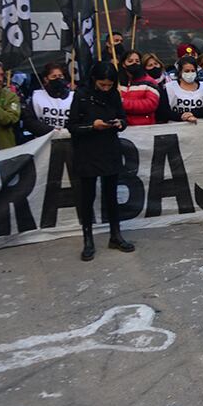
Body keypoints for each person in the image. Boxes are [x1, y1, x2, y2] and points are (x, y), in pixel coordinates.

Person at [67, 61, 134, 260]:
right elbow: (72, 126)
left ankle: (115, 234)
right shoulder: (81, 95)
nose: (105, 88)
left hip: (109, 147)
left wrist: (120, 123)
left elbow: (123, 118)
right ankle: (88, 238)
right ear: (94, 80)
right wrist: (91, 126)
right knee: (87, 196)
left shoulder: (113, 94)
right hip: (87, 149)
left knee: (111, 195)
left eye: (109, 85)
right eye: (102, 85)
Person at [23, 63, 74, 138]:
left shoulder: (74, 96)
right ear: (46, 79)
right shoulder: (37, 96)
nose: (58, 79)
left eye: (60, 76)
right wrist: (51, 130)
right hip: (43, 140)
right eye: (54, 76)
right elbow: (29, 121)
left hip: (68, 138)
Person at [163, 56, 203, 123]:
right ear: (180, 72)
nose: (190, 73)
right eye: (187, 71)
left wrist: (192, 113)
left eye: (193, 71)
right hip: (175, 126)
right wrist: (181, 116)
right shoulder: (169, 87)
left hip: (201, 125)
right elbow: (164, 111)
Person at [118, 49, 160, 126]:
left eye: (137, 61)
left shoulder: (150, 81)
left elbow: (150, 105)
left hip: (145, 126)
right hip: (123, 127)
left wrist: (123, 103)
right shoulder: (118, 82)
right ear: (124, 64)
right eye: (130, 61)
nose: (134, 63)